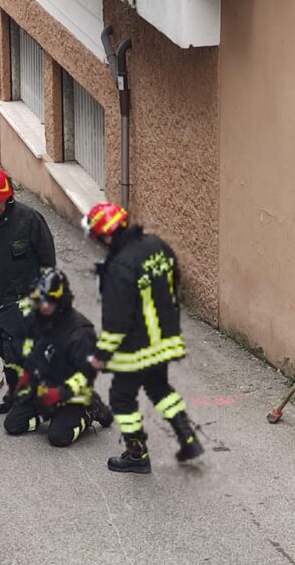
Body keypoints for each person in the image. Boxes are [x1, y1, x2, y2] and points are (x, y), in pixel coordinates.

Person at [83, 202, 204, 473]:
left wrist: (101, 357)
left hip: (138, 347)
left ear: (106, 235)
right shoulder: (155, 246)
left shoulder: (118, 268)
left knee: (121, 399)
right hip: (165, 339)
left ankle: (136, 454)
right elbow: (174, 277)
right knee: (160, 389)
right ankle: (188, 438)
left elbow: (116, 324)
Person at [0, 165, 56, 414]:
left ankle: (41, 401)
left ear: (9, 194)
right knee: (5, 353)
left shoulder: (29, 220)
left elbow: (48, 261)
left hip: (26, 304)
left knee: (27, 354)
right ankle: (15, 396)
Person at [3, 268, 113, 446]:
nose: (45, 306)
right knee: (13, 425)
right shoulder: (36, 319)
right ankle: (49, 413)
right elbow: (32, 351)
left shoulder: (80, 331)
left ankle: (92, 408)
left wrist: (60, 393)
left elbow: (85, 375)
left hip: (71, 393)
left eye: (50, 301)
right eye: (41, 300)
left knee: (59, 437)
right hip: (44, 388)